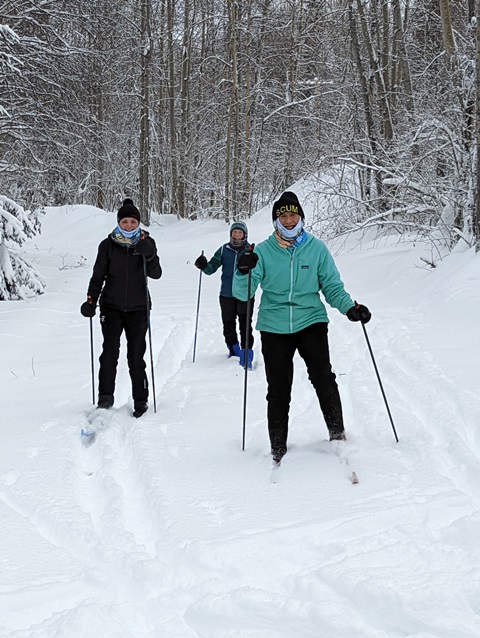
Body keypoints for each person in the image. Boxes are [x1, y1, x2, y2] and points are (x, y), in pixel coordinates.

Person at [232, 191, 371, 463]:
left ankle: (337, 433)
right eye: (283, 216)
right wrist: (243, 270)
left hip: (311, 321)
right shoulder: (262, 251)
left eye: (293, 215)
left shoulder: (316, 249)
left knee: (323, 377)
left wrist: (349, 308)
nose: (289, 220)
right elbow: (242, 293)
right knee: (278, 388)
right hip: (274, 324)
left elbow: (331, 286)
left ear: (301, 217)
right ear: (276, 221)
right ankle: (278, 446)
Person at [80, 198, 162, 418]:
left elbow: (156, 273)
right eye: (124, 221)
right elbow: (98, 276)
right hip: (111, 308)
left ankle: (141, 400)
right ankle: (105, 398)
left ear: (138, 223)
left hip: (138, 308)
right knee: (109, 354)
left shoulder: (147, 242)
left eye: (133, 222)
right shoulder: (107, 245)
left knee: (136, 357)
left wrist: (150, 255)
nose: (128, 225)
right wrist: (91, 301)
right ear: (118, 222)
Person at [194, 222, 255, 369]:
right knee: (228, 325)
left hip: (245, 294)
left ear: (245, 235)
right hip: (226, 294)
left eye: (239, 233)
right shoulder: (223, 250)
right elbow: (211, 268)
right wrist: (203, 265)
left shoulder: (250, 250)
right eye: (234, 233)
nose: (236, 236)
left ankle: (246, 355)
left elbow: (258, 270)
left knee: (245, 325)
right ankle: (233, 350)